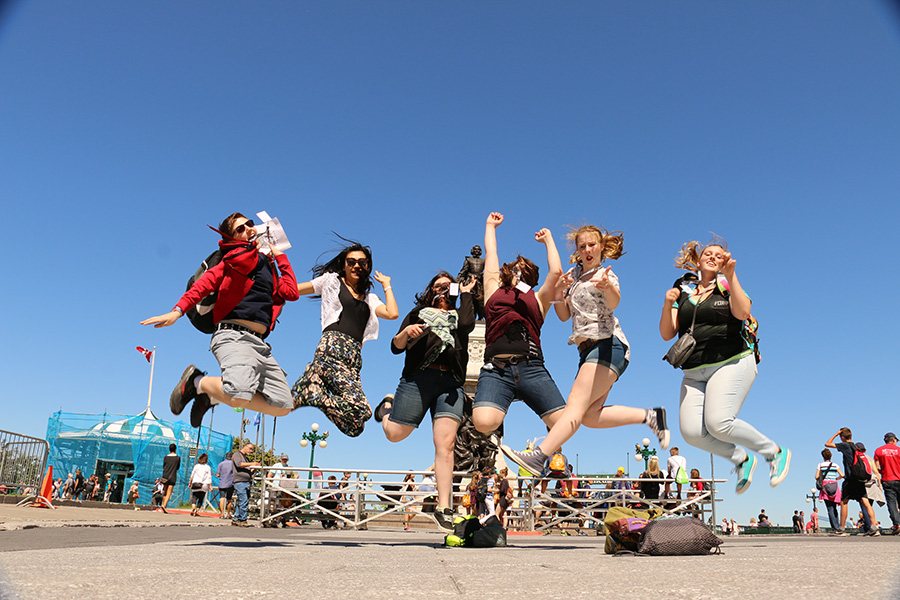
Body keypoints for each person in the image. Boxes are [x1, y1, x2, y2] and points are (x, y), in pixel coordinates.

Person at [503, 223, 669, 476]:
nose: (588, 249)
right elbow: (563, 315)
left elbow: (614, 303)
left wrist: (607, 287)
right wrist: (559, 292)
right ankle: (650, 416)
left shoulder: (606, 274)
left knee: (574, 406)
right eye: (582, 246)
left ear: (601, 247)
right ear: (578, 251)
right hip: (587, 351)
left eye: (592, 245)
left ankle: (540, 455)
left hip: (608, 345)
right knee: (590, 417)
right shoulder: (574, 276)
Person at [141, 212, 300, 427]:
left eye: (249, 224)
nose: (248, 228)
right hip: (233, 336)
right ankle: (197, 382)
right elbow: (201, 287)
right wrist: (176, 311)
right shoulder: (231, 262)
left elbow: (291, 292)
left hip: (260, 344)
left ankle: (210, 396)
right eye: (240, 228)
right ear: (232, 238)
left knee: (283, 406)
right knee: (239, 394)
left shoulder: (267, 265)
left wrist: (280, 258)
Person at [659, 238, 790, 494]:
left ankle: (774, 452)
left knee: (718, 422)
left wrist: (731, 275)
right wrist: (667, 303)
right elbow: (667, 333)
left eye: (719, 255)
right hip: (693, 371)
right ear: (699, 260)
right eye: (708, 253)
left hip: (732, 361)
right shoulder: (683, 290)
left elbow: (742, 313)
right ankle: (741, 459)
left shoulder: (726, 284)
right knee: (692, 433)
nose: (712, 257)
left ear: (724, 262)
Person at [373, 271, 476, 531]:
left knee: (446, 444)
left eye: (447, 286)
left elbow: (467, 325)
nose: (442, 290)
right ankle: (387, 407)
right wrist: (406, 332)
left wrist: (465, 294)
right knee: (394, 434)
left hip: (450, 383)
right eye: (438, 286)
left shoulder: (459, 314)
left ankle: (444, 508)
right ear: (430, 291)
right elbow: (396, 346)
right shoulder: (419, 313)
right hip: (419, 378)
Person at [470, 213, 565, 451]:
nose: (517, 272)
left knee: (564, 424)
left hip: (531, 368)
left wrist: (548, 240)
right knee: (483, 422)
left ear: (530, 277)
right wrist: (490, 226)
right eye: (514, 269)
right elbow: (491, 255)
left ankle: (541, 454)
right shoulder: (493, 290)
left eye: (522, 270)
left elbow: (556, 272)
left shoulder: (539, 298)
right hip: (496, 369)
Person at [292, 240, 398, 437]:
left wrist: (387, 285)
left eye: (362, 262)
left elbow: (392, 313)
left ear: (367, 267)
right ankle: (312, 394)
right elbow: (293, 290)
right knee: (363, 409)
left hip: (353, 359)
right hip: (332, 349)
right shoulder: (331, 281)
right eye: (351, 262)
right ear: (343, 265)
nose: (357, 265)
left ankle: (312, 391)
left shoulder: (370, 299)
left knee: (356, 426)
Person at [825, 428, 879, 536]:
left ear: (842, 437)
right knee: (865, 501)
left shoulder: (845, 445)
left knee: (844, 502)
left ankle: (841, 528)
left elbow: (827, 444)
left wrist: (836, 433)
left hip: (850, 479)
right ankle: (874, 527)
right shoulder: (855, 447)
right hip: (860, 479)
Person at [875, 432, 900, 535]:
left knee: (892, 503)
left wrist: (883, 472)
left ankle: (897, 524)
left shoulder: (879, 451)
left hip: (887, 480)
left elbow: (876, 468)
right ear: (894, 439)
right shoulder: (899, 450)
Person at [232, 442, 261, 527]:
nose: (251, 451)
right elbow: (239, 464)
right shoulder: (237, 455)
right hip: (240, 481)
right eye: (250, 448)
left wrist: (256, 467)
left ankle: (236, 519)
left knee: (243, 501)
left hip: (246, 482)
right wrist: (252, 463)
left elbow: (250, 471)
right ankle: (243, 519)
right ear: (245, 446)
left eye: (252, 449)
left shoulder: (246, 459)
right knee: (243, 501)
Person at [816, 448, 843, 532]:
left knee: (830, 508)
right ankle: (838, 526)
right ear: (830, 456)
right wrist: (836, 478)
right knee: (834, 508)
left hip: (825, 487)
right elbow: (842, 475)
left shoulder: (820, 465)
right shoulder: (835, 465)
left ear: (823, 457)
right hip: (834, 486)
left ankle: (834, 527)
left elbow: (816, 476)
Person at [159, 443, 181, 513]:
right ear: (175, 449)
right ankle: (164, 505)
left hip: (165, 476)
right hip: (172, 476)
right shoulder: (177, 458)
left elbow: (164, 466)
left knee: (165, 492)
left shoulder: (166, 457)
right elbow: (177, 467)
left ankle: (163, 504)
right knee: (169, 492)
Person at [216, 451, 235, 519]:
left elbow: (217, 474)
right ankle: (228, 514)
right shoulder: (233, 464)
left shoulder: (221, 464)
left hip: (222, 483)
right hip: (230, 483)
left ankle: (222, 514)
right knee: (229, 499)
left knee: (222, 498)